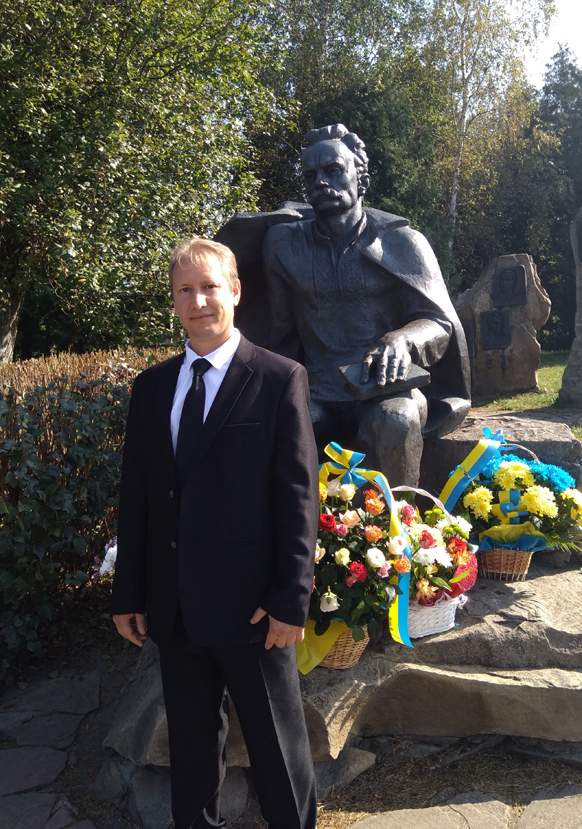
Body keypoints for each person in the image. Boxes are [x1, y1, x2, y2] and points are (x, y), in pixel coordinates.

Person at [111, 238, 318, 829]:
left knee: (279, 752)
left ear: (235, 291)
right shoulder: (152, 388)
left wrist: (289, 598)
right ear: (173, 300)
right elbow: (138, 496)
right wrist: (129, 593)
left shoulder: (278, 378)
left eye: (209, 287)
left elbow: (298, 498)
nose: (198, 301)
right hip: (175, 609)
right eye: (185, 290)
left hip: (255, 612)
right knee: (192, 753)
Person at [261, 123, 471, 487]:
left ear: (362, 180)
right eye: (310, 176)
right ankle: (303, 526)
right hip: (318, 392)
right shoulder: (284, 245)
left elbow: (439, 321)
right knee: (284, 422)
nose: (320, 182)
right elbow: (282, 333)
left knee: (395, 421)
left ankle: (397, 522)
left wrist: (402, 339)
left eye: (333, 170)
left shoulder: (402, 243)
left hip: (388, 389)